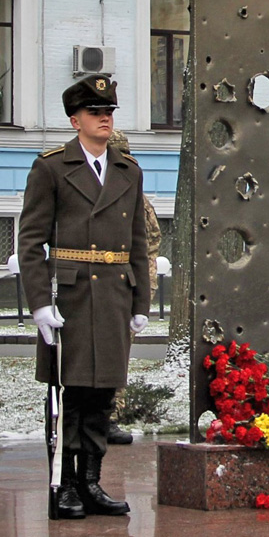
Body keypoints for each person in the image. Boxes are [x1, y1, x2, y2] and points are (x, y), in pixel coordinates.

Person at [18, 74, 150, 519]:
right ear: (75, 120)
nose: (104, 119)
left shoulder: (127, 170)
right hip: (69, 297)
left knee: (102, 397)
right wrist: (39, 302)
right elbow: (31, 240)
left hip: (114, 295)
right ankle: (67, 485)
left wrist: (141, 304)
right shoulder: (52, 168)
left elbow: (138, 243)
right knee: (71, 396)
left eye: (109, 112)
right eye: (95, 113)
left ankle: (92, 482)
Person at [106, 128, 161, 444]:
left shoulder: (134, 195)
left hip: (125, 285)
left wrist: (142, 287)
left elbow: (150, 240)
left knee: (117, 353)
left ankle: (110, 417)